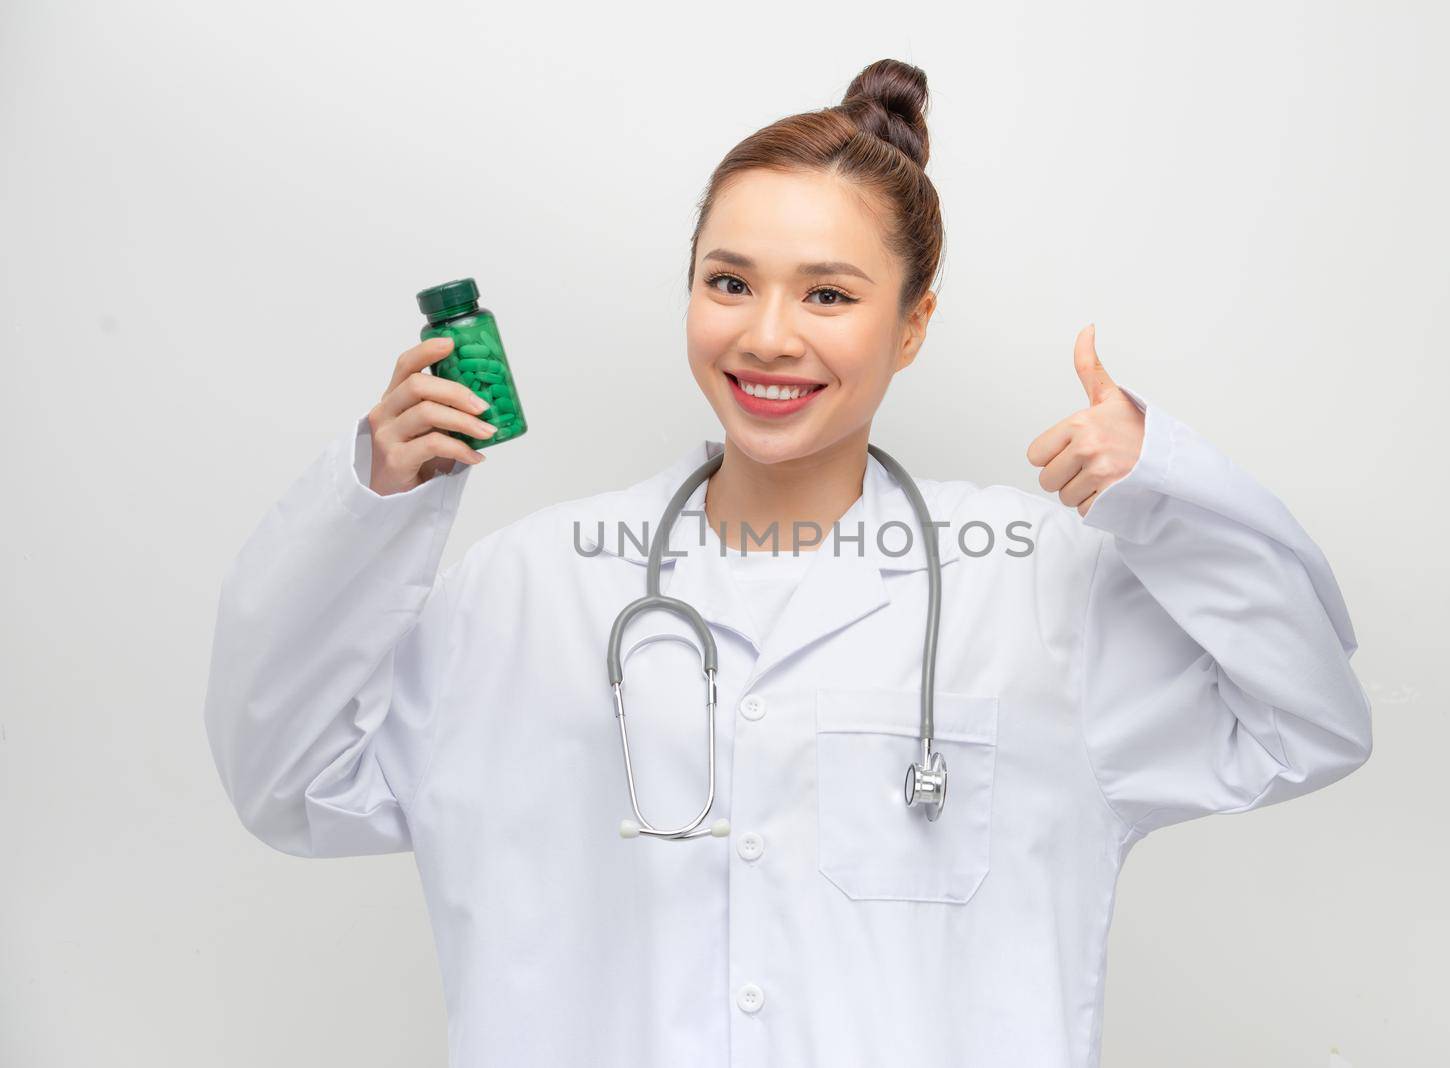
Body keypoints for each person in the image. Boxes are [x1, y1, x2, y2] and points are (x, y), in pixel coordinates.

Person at [203, 57, 1372, 1068]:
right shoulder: (535, 588)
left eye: (828, 293)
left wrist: (1170, 497)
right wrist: (372, 507)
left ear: (910, 326)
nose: (766, 335)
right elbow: (292, 782)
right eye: (729, 282)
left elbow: (1305, 718)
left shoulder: (1035, 588)